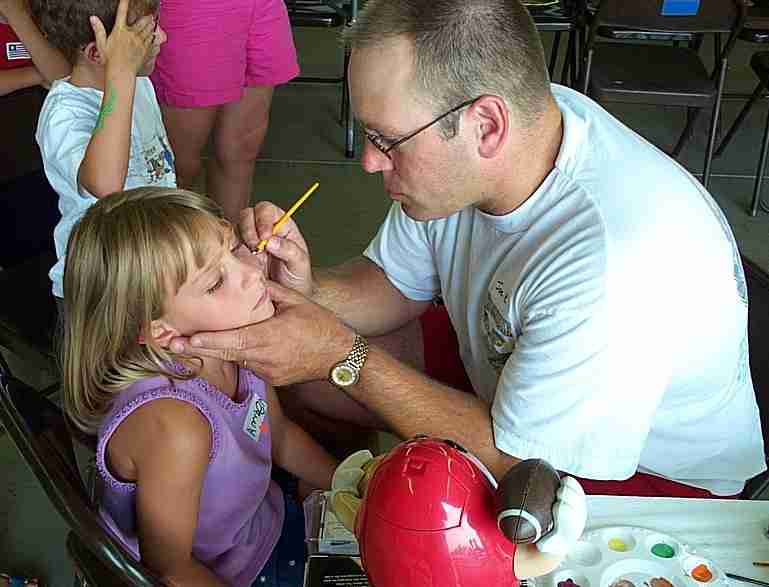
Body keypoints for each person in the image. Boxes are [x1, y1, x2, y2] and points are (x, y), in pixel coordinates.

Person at [170, 0, 766, 498]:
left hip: (642, 478)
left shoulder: (612, 259)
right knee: (300, 368)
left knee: (344, 388)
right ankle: (332, 517)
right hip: (515, 373)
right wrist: (304, 288)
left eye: (386, 140)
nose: (371, 161)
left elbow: (525, 465)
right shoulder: (505, 132)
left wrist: (338, 353)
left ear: (486, 126)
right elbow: (395, 283)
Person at [62, 187, 338, 587]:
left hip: (262, 522)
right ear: (159, 330)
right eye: (215, 282)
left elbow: (275, 434)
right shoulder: (175, 425)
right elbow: (170, 570)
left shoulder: (237, 340)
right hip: (230, 574)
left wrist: (355, 485)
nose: (250, 272)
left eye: (233, 248)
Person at [34, 0, 175, 306]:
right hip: (102, 289)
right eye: (147, 34)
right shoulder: (65, 113)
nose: (162, 37)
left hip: (152, 266)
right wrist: (121, 75)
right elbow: (105, 185)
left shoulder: (140, 85)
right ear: (98, 53)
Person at [149, 0, 299, 223]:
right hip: (193, 9)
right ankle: (166, 251)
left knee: (240, 150)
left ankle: (226, 249)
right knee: (176, 167)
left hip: (260, 6)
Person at [0, 0, 69, 96]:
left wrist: (17, 14)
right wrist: (40, 75)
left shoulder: (54, 10)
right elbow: (59, 76)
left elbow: (64, 76)